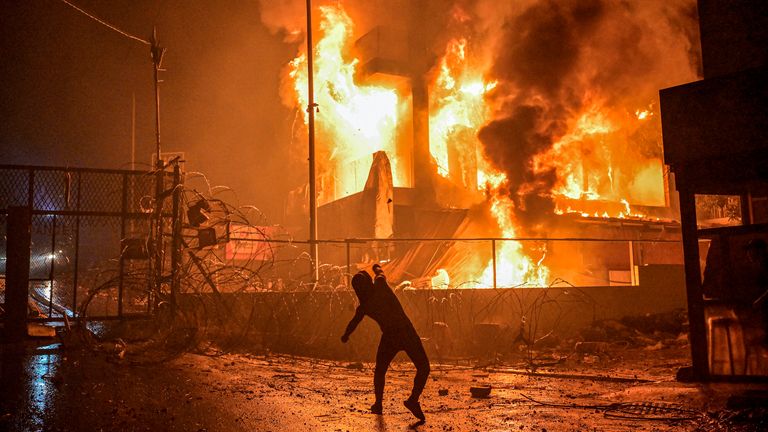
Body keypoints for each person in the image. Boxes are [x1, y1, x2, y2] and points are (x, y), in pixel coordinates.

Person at [341, 264, 430, 421]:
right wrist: (376, 268)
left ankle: (378, 404)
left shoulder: (365, 306)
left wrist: (346, 335)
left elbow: (353, 323)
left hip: (389, 336)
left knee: (380, 370)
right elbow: (380, 273)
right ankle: (413, 400)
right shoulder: (380, 286)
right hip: (406, 331)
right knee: (423, 367)